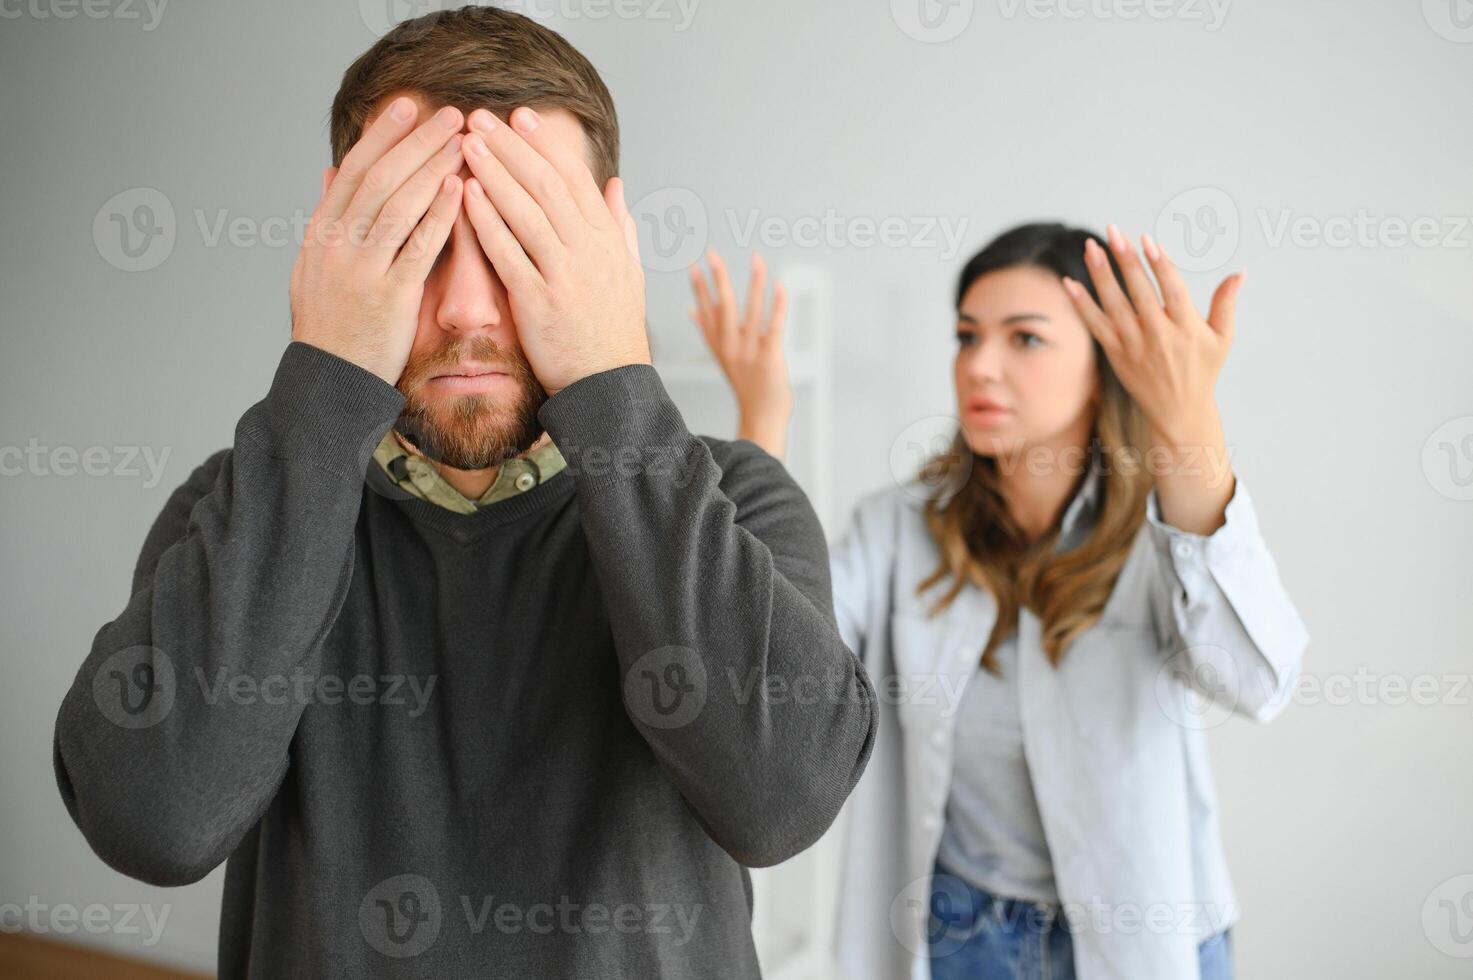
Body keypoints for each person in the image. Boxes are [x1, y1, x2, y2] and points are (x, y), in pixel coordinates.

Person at [52, 8, 875, 978]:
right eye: (417, 240)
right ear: (336, 244)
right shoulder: (245, 500)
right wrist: (323, 376)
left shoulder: (738, 497)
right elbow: (155, 820)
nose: (471, 310)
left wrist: (612, 378)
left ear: (606, 250)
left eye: (526, 244)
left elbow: (779, 801)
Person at [688, 222, 1310, 979]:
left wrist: (1188, 424)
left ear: (1103, 363)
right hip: (960, 942)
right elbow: (765, 661)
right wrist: (763, 420)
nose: (979, 366)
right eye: (965, 335)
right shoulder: (895, 530)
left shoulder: (1164, 523)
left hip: (1144, 939)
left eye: (1025, 339)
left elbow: (1255, 681)